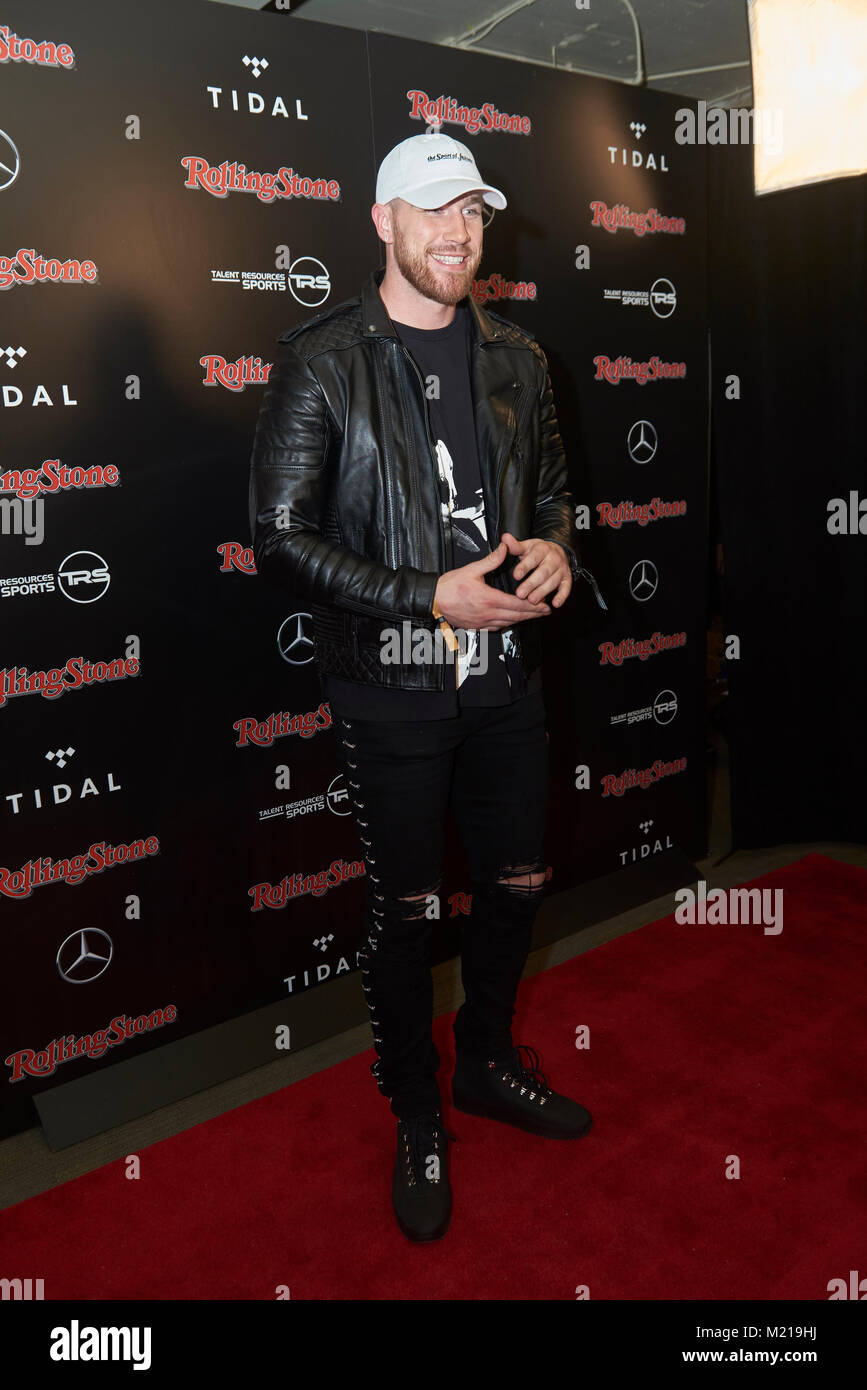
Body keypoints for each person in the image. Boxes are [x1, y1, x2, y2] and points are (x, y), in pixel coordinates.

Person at [248, 132, 605, 1244]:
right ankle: (416, 1110)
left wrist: (557, 552)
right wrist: (424, 598)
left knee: (514, 884)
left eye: (477, 213)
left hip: (507, 679)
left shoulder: (517, 357)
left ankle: (489, 1062)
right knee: (404, 917)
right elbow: (278, 537)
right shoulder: (321, 360)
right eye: (438, 209)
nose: (461, 232)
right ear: (383, 220)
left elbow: (554, 499)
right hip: (392, 687)